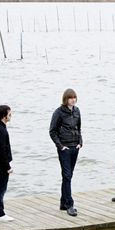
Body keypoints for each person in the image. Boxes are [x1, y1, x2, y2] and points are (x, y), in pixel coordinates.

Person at [49, 89, 82, 217]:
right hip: (65, 148)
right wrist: (60, 146)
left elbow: (79, 128)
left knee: (68, 176)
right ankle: (70, 204)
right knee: (67, 175)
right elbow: (52, 131)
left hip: (75, 146)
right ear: (65, 99)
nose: (73, 100)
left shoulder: (77, 110)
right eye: (70, 98)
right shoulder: (59, 112)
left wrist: (80, 142)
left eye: (74, 97)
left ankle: (63, 203)